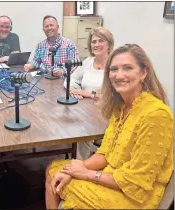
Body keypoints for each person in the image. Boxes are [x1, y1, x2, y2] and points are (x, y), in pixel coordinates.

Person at [45, 44, 174, 209]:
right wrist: (75, 170)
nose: (119, 75)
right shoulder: (120, 108)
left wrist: (86, 173)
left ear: (143, 73)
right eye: (114, 69)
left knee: (55, 178)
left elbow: (136, 182)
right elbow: (104, 154)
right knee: (54, 169)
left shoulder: (156, 114)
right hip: (112, 175)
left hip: (136, 196)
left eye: (127, 68)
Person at [64, 27, 114, 160]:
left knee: (83, 131)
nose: (96, 45)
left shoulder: (114, 65)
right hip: (86, 111)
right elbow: (71, 79)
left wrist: (90, 94)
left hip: (107, 112)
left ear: (109, 43)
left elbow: (116, 96)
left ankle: (80, 165)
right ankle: (79, 161)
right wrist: (74, 89)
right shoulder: (87, 62)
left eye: (100, 41)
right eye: (94, 42)